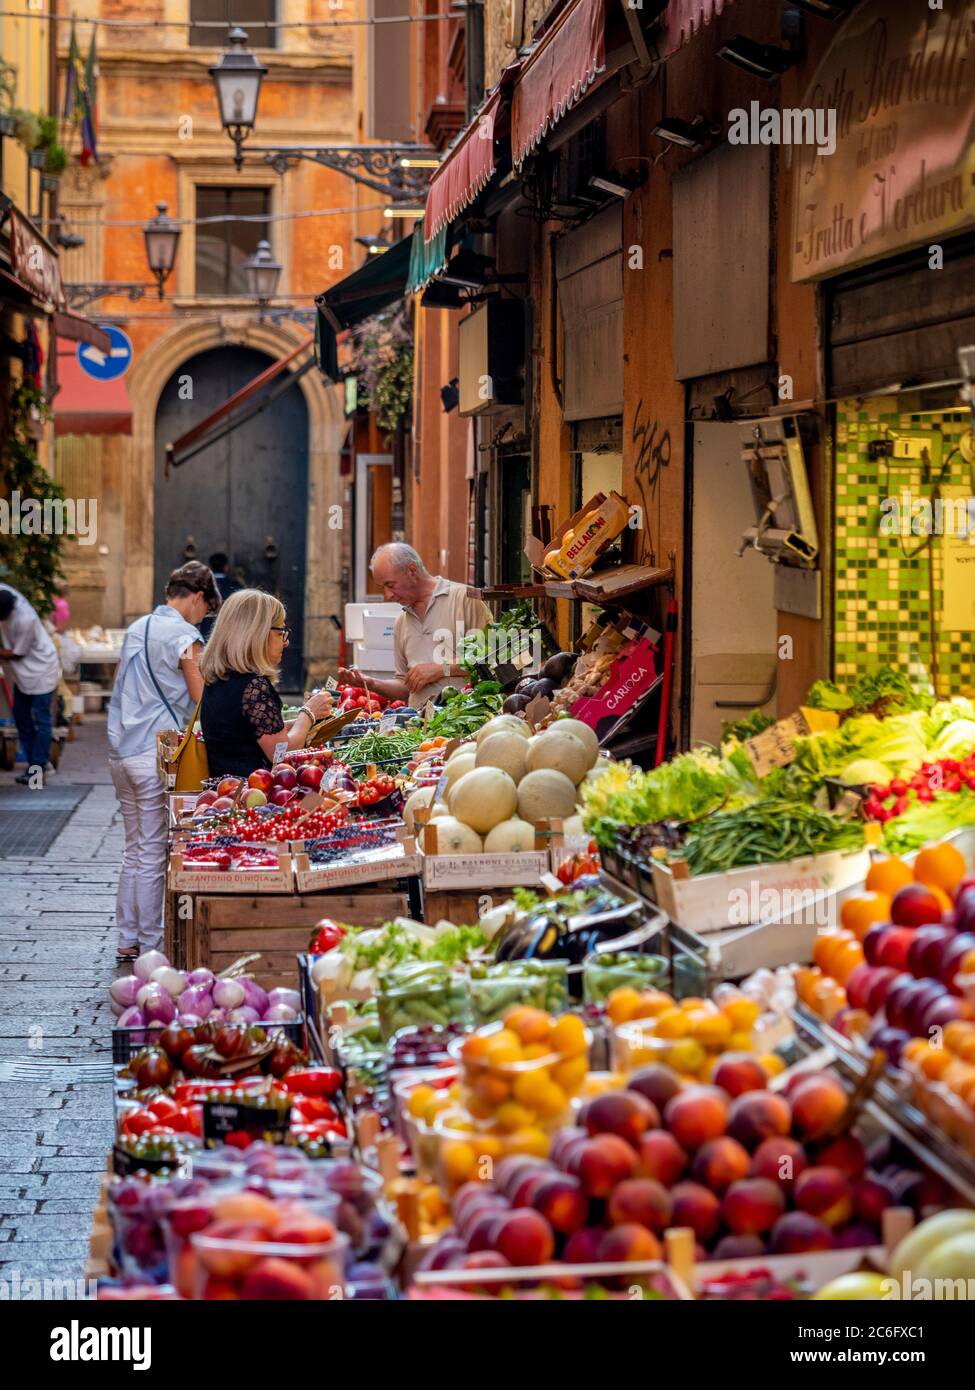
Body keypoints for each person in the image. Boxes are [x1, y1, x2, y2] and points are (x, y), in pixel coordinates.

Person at [107, 561, 221, 962]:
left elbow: (120, 685)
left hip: (121, 751)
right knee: (154, 851)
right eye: (205, 609)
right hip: (153, 754)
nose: (203, 618)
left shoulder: (137, 629)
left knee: (134, 848)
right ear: (197, 598)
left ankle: (127, 937)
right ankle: (152, 945)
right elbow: (201, 696)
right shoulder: (185, 636)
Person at [338, 543, 492, 709]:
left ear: (412, 571)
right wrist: (371, 683)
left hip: (465, 722)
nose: (387, 595)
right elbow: (406, 689)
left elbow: (491, 659)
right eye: (383, 588)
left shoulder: (465, 599)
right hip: (421, 728)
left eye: (390, 585)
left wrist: (440, 670)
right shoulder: (401, 623)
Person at [199, 589, 332, 778]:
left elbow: (250, 734)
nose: (285, 642)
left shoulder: (220, 678)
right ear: (258, 633)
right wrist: (307, 713)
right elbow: (281, 752)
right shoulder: (253, 686)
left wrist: (305, 721)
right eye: (280, 632)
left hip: (227, 792)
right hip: (254, 794)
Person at [0, 584, 62, 785]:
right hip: (22, 673)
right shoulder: (5, 591)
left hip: (40, 670)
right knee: (21, 718)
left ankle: (37, 767)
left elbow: (17, 653)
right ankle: (37, 764)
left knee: (41, 720)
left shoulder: (25, 620)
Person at [199, 554, 240, 642]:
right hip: (229, 636)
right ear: (226, 567)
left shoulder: (200, 587)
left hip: (205, 633)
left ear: (210, 568)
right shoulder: (235, 587)